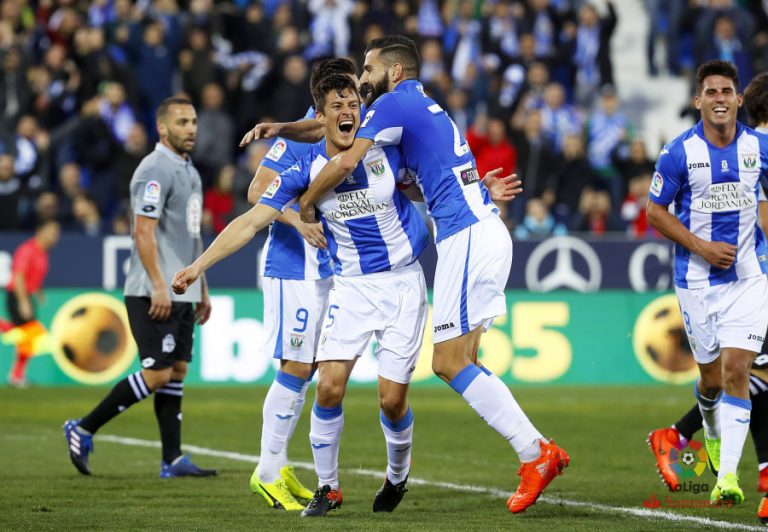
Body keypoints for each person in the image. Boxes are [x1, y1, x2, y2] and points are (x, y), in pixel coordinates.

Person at [293, 35, 568, 514]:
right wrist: (479, 185)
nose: (363, 78)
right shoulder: (423, 106)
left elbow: (347, 159)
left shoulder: (392, 104)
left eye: (369, 68)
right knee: (465, 359)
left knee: (447, 363)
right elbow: (428, 174)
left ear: (395, 71)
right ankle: (535, 451)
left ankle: (535, 452)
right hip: (480, 228)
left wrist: (307, 202)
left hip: (466, 236)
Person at [173, 73, 431, 517]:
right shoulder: (303, 170)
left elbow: (435, 178)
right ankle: (328, 487)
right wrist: (198, 267)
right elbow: (250, 221)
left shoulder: (385, 149)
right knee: (327, 387)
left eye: (353, 105)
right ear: (320, 117)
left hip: (403, 284)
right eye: (337, 107)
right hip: (351, 288)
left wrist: (477, 190)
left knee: (392, 400)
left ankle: (396, 475)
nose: (348, 113)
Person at [63, 97, 217, 479]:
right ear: (162, 128)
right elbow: (143, 232)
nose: (191, 129)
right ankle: (83, 428)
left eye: (193, 121)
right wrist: (159, 285)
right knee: (158, 374)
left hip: (183, 288)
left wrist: (201, 285)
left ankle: (172, 460)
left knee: (177, 370)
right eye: (182, 122)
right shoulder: (153, 169)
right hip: (153, 290)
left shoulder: (190, 170)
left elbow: (192, 235)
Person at [646, 60, 768, 506]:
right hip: (696, 282)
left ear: (739, 99)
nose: (719, 98)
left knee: (739, 370)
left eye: (726, 91)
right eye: (711, 92)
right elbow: (655, 211)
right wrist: (701, 246)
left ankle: (728, 478)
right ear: (698, 101)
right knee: (712, 380)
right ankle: (708, 430)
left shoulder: (760, 147)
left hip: (750, 277)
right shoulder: (678, 152)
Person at [244, 58, 355, 512]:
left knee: (305, 368)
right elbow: (257, 192)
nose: (353, 98)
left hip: (324, 268)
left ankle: (279, 463)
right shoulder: (300, 134)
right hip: (293, 264)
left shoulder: (350, 131)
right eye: (345, 89)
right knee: (295, 365)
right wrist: (298, 220)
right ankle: (268, 471)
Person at [3, 219, 60, 387]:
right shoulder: (28, 249)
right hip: (18, 295)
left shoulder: (42, 252)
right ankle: (16, 376)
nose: (55, 236)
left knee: (26, 337)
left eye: (57, 233)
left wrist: (38, 292)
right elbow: (19, 275)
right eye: (52, 232)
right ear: (40, 231)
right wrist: (23, 301)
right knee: (31, 333)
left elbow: (34, 275)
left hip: (27, 295)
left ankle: (17, 376)